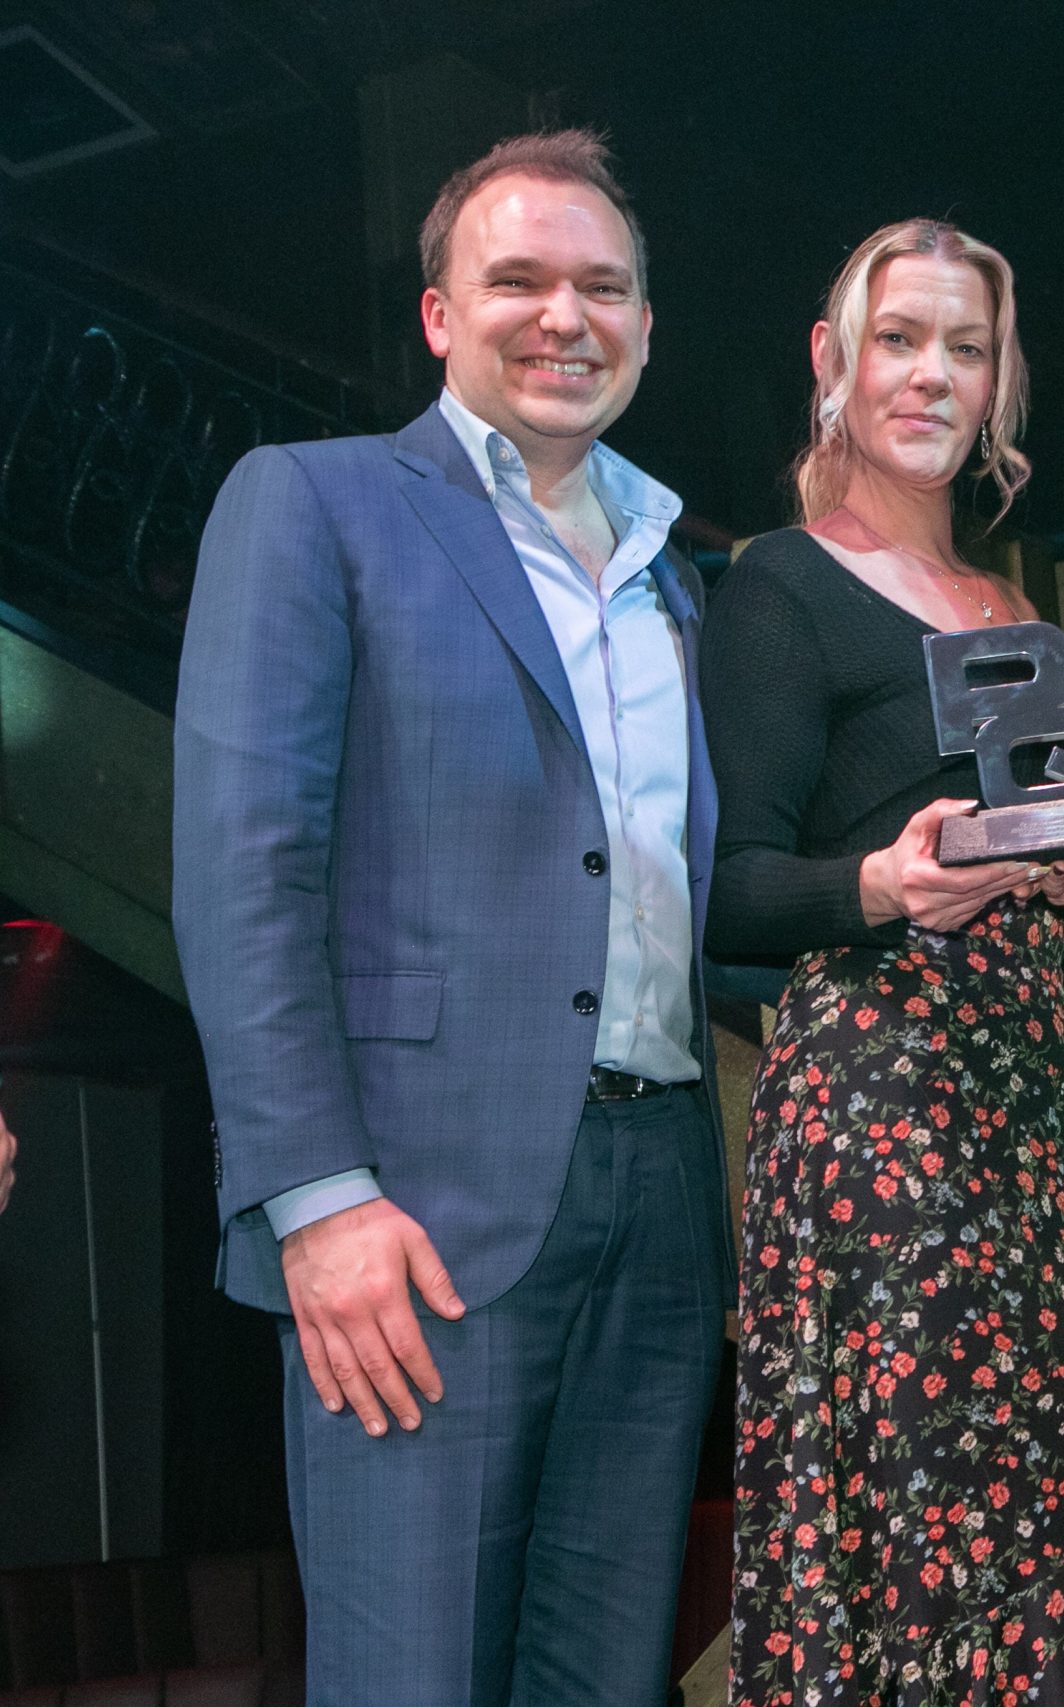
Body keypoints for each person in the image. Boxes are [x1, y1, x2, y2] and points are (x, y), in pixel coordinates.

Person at [172, 131, 729, 1705]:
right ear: (438, 314)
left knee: (609, 1678)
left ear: (643, 324)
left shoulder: (677, 578)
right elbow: (243, 865)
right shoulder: (313, 505)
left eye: (603, 286)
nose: (566, 315)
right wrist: (314, 1196)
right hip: (409, 1218)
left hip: (663, 1204)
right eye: (520, 280)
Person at [702, 218, 1064, 1707]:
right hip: (881, 1116)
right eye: (902, 337)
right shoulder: (777, 586)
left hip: (1041, 1119)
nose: (931, 374)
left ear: (1001, 387)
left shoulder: (1021, 615)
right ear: (832, 360)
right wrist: (887, 882)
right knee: (926, 1534)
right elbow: (728, 889)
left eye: (966, 348)